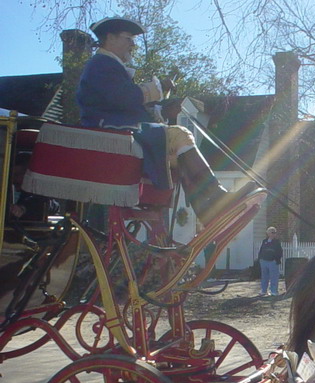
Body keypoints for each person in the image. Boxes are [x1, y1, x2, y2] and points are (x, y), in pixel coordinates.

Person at [77, 16, 258, 226]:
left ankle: (208, 213)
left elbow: (125, 106)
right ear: (110, 38)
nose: (133, 45)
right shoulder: (101, 64)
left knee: (179, 159)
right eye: (128, 38)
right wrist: (157, 89)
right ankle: (217, 196)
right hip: (111, 134)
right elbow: (122, 98)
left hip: (120, 131)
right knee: (179, 134)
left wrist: (162, 109)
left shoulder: (107, 65)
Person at [257, 226, 283, 296]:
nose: (274, 234)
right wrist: (260, 259)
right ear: (268, 233)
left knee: (274, 277)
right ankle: (263, 290)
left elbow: (280, 252)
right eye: (272, 232)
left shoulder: (277, 242)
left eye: (274, 232)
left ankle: (274, 291)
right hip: (264, 261)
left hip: (273, 262)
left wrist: (276, 259)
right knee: (264, 276)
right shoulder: (264, 241)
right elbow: (261, 250)